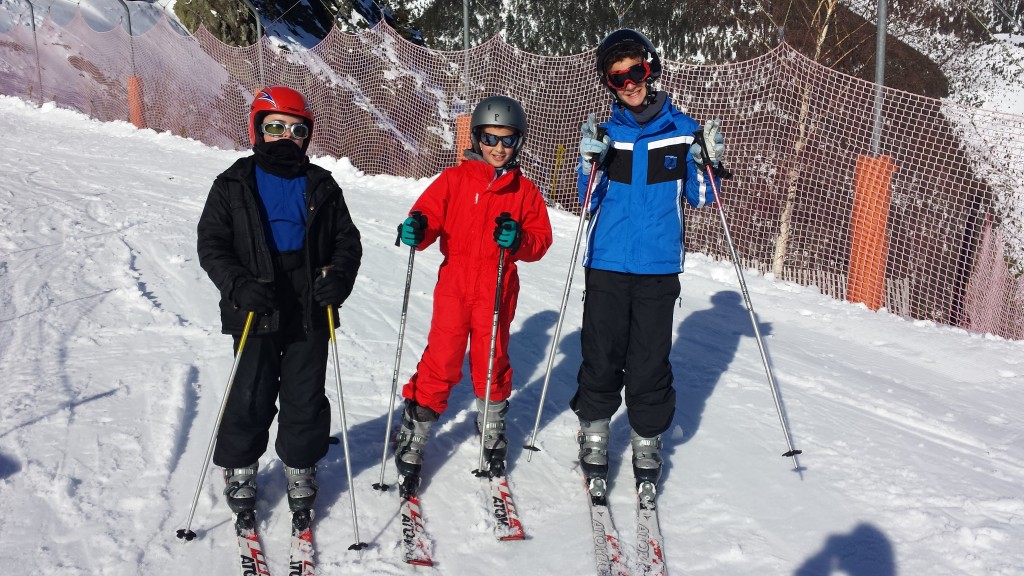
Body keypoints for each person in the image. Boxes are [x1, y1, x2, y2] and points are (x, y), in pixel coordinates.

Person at [571, 29, 726, 506]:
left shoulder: (682, 130)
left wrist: (706, 161)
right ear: (608, 84)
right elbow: (587, 201)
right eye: (617, 78)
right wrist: (588, 163)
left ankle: (646, 439)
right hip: (608, 262)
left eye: (635, 72)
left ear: (650, 68)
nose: (629, 84)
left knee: (648, 360)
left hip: (658, 267)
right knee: (602, 354)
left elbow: (702, 199)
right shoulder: (606, 135)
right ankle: (595, 433)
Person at [197, 86, 363, 518]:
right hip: (256, 299)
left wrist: (338, 278)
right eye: (275, 127)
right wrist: (237, 284)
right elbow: (212, 244)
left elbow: (347, 241)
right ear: (257, 129)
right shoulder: (233, 183)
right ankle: (240, 465)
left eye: (297, 130)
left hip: (309, 302)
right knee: (250, 390)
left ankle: (300, 463)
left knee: (305, 392)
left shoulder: (321, 184)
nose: (286, 137)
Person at [392, 95, 553, 490]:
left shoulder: (524, 191)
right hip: (455, 285)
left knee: (491, 358)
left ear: (518, 142)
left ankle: (492, 424)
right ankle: (416, 427)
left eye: (507, 140)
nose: (498, 148)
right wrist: (416, 229)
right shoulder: (454, 180)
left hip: (497, 287)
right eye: (489, 138)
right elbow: (427, 217)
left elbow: (540, 240)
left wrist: (518, 240)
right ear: (477, 138)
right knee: (443, 358)